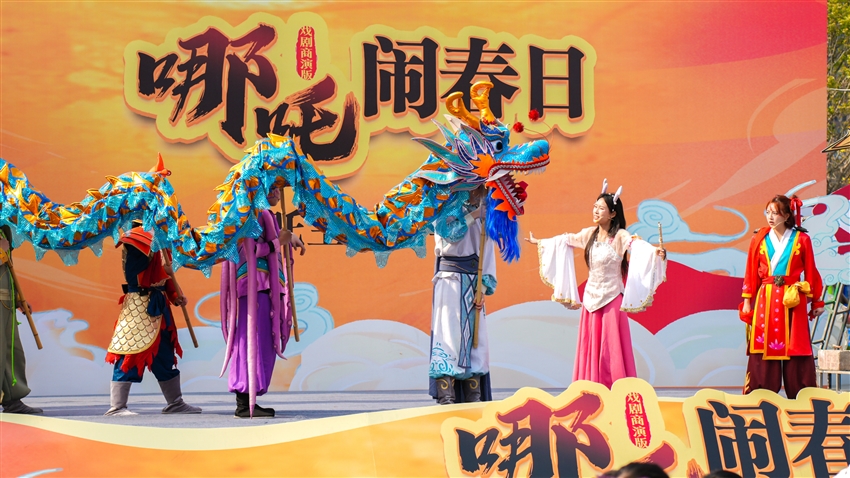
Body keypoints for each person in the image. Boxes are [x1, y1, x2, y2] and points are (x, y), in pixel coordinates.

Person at [527, 179, 666, 388]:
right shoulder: (589, 234)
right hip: (591, 300)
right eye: (595, 206)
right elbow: (566, 240)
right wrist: (541, 242)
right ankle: (590, 389)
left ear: (612, 213)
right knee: (589, 346)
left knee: (611, 347)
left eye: (601, 208)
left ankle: (615, 389)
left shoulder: (619, 236)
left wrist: (656, 252)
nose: (596, 211)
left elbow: (635, 245)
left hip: (611, 298)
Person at [220, 188, 305, 418]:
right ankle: (243, 402)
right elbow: (249, 249)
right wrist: (278, 242)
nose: (278, 192)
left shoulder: (262, 213)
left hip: (263, 287)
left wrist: (288, 239)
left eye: (279, 187)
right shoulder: (251, 213)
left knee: (262, 342)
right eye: (273, 186)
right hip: (253, 286)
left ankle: (249, 399)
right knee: (251, 340)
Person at [104, 221, 201, 416]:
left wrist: (176, 295)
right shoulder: (136, 238)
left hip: (159, 305)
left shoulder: (161, 238)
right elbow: (137, 274)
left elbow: (166, 279)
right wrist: (165, 268)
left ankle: (175, 402)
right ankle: (117, 406)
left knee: (164, 353)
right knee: (130, 351)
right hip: (140, 304)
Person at [740, 195, 823, 399]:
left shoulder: (802, 239)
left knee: (796, 347)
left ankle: (802, 394)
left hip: (792, 299)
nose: (770, 217)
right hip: (765, 298)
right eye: (768, 212)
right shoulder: (759, 239)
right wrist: (748, 301)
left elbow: (811, 270)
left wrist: (817, 301)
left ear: (786, 216)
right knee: (763, 344)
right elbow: (751, 271)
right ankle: (760, 394)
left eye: (775, 213)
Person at [428, 187, 497, 405]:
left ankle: (473, 395)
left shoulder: (485, 216)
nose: (477, 191)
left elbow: (488, 252)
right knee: (448, 334)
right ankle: (446, 395)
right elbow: (449, 237)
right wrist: (473, 215)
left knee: (476, 340)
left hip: (473, 282)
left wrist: (482, 288)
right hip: (450, 280)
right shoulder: (445, 208)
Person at [0, 225, 43, 414]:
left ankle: (12, 400)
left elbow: (7, 272)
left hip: (5, 305)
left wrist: (18, 298)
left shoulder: (3, 230)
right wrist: (1, 251)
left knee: (11, 352)